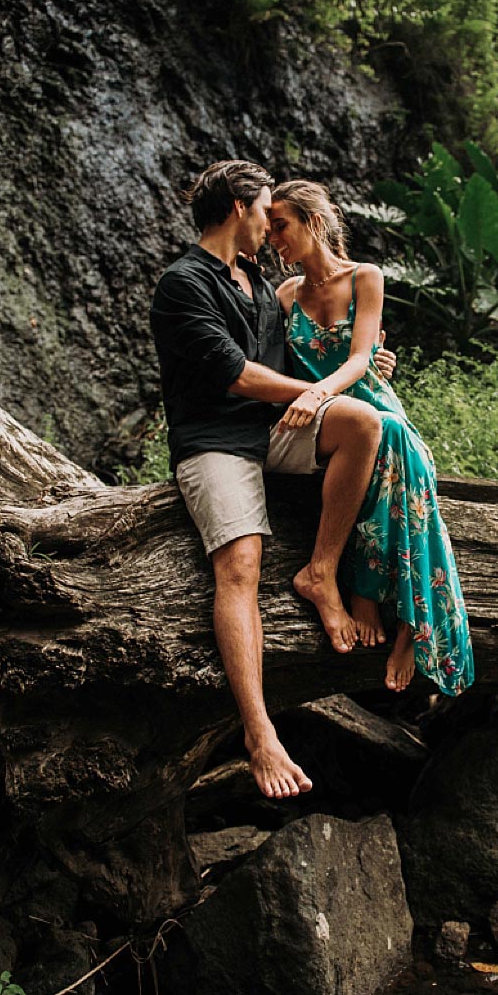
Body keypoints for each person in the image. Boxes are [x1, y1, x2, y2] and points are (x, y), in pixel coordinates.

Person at [150, 159, 388, 800]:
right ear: (238, 208)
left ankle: (322, 571)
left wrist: (359, 367)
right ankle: (261, 736)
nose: (269, 225)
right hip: (215, 442)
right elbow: (237, 375)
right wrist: (318, 391)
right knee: (241, 565)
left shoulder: (257, 279)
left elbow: (307, 343)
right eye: (264, 212)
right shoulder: (182, 284)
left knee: (364, 425)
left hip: (273, 431)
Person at [265, 179, 475, 698]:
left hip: (367, 403)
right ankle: (392, 608)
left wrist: (319, 392)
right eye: (267, 228)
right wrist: (314, 399)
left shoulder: (366, 277)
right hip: (334, 421)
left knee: (395, 433)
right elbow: (272, 367)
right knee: (390, 440)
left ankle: (390, 611)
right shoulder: (284, 295)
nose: (272, 238)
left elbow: (361, 360)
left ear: (313, 222)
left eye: (280, 225)